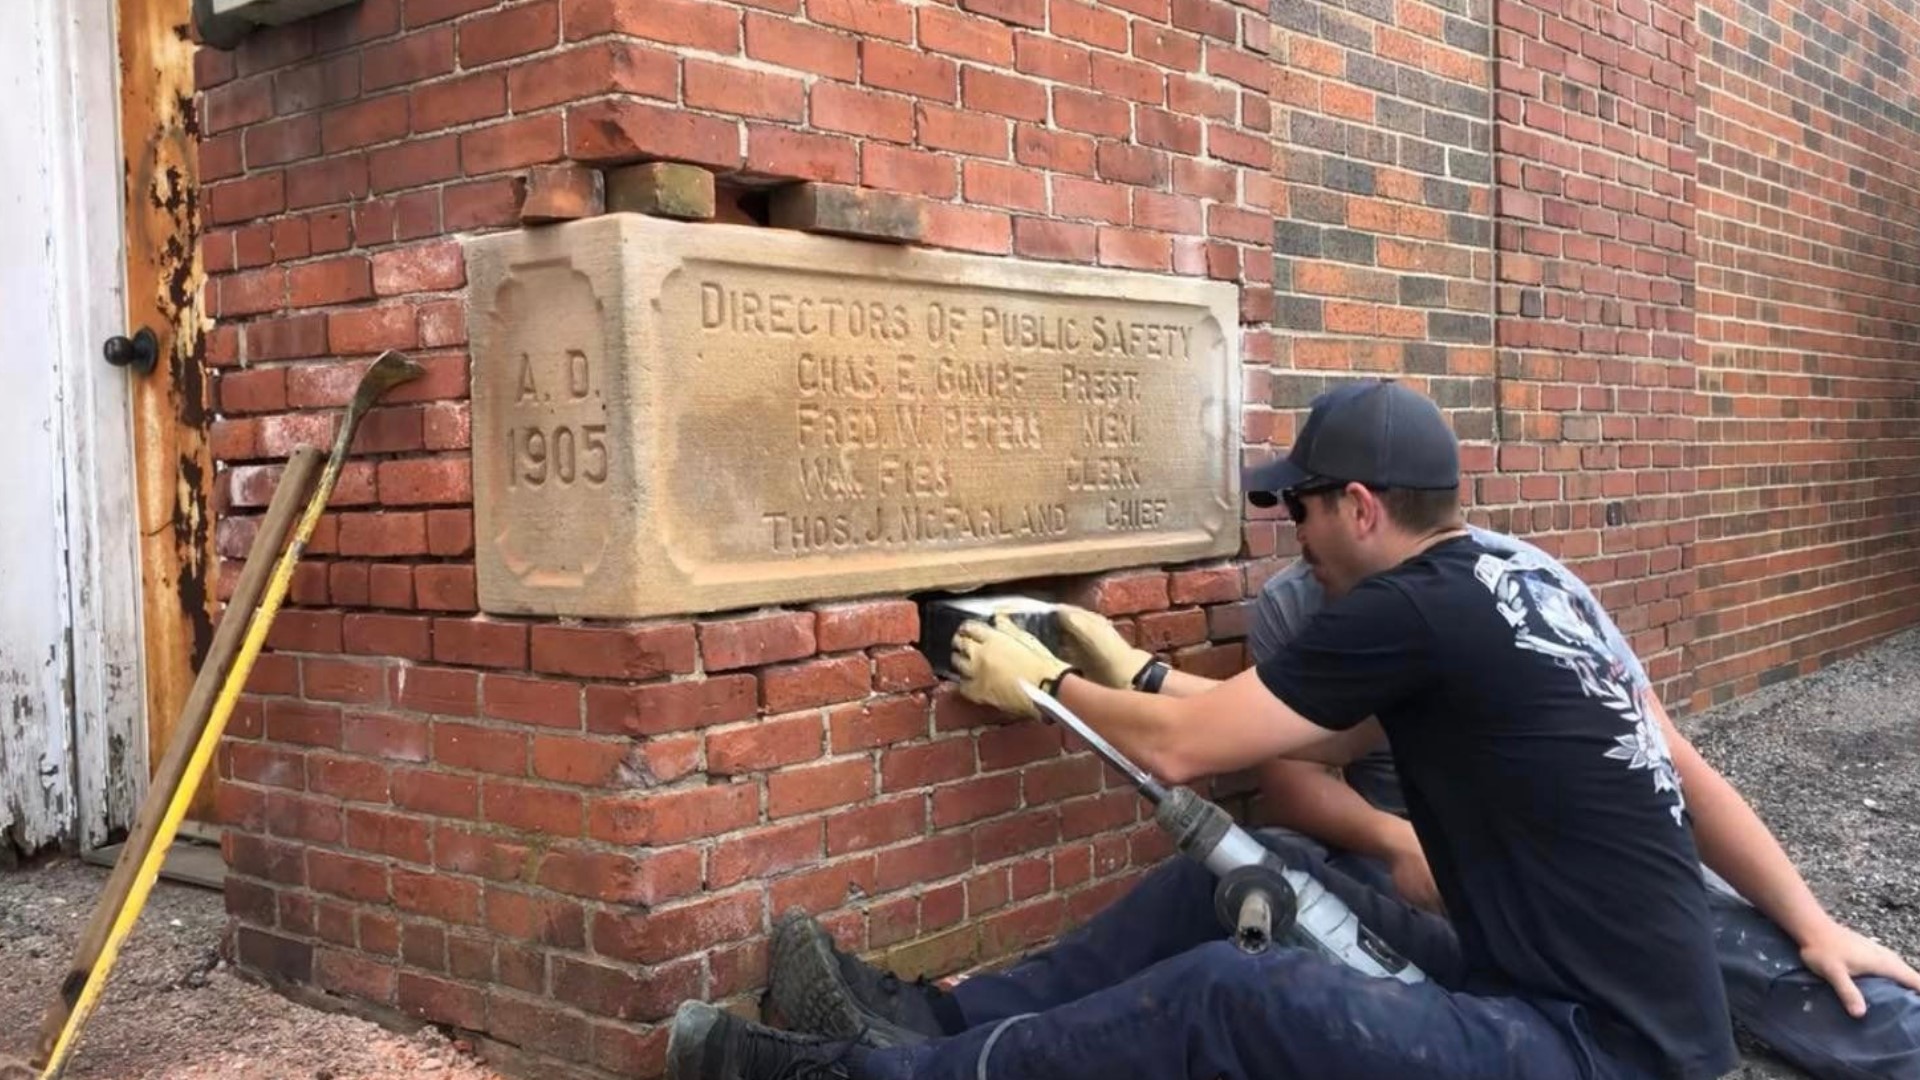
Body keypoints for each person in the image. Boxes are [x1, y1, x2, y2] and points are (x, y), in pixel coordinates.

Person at [663, 379, 1920, 1080]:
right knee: (1250, 882)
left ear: (1361, 505)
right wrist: (1813, 928)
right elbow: (1677, 764)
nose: (1291, 535)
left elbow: (1177, 754)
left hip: (1593, 1056)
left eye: (1302, 510)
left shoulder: (1409, 608)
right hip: (1549, 992)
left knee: (1230, 998)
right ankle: (927, 1022)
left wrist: (1038, 683)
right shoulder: (1529, 584)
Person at [1248, 530, 1920, 1079]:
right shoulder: (1301, 602)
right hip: (1411, 858)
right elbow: (1283, 778)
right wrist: (1394, 841)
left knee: (1742, 949)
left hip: (1566, 849)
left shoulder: (1527, 582)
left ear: (1371, 508)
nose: (1303, 523)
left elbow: (1672, 765)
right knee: (1297, 889)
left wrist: (1814, 925)